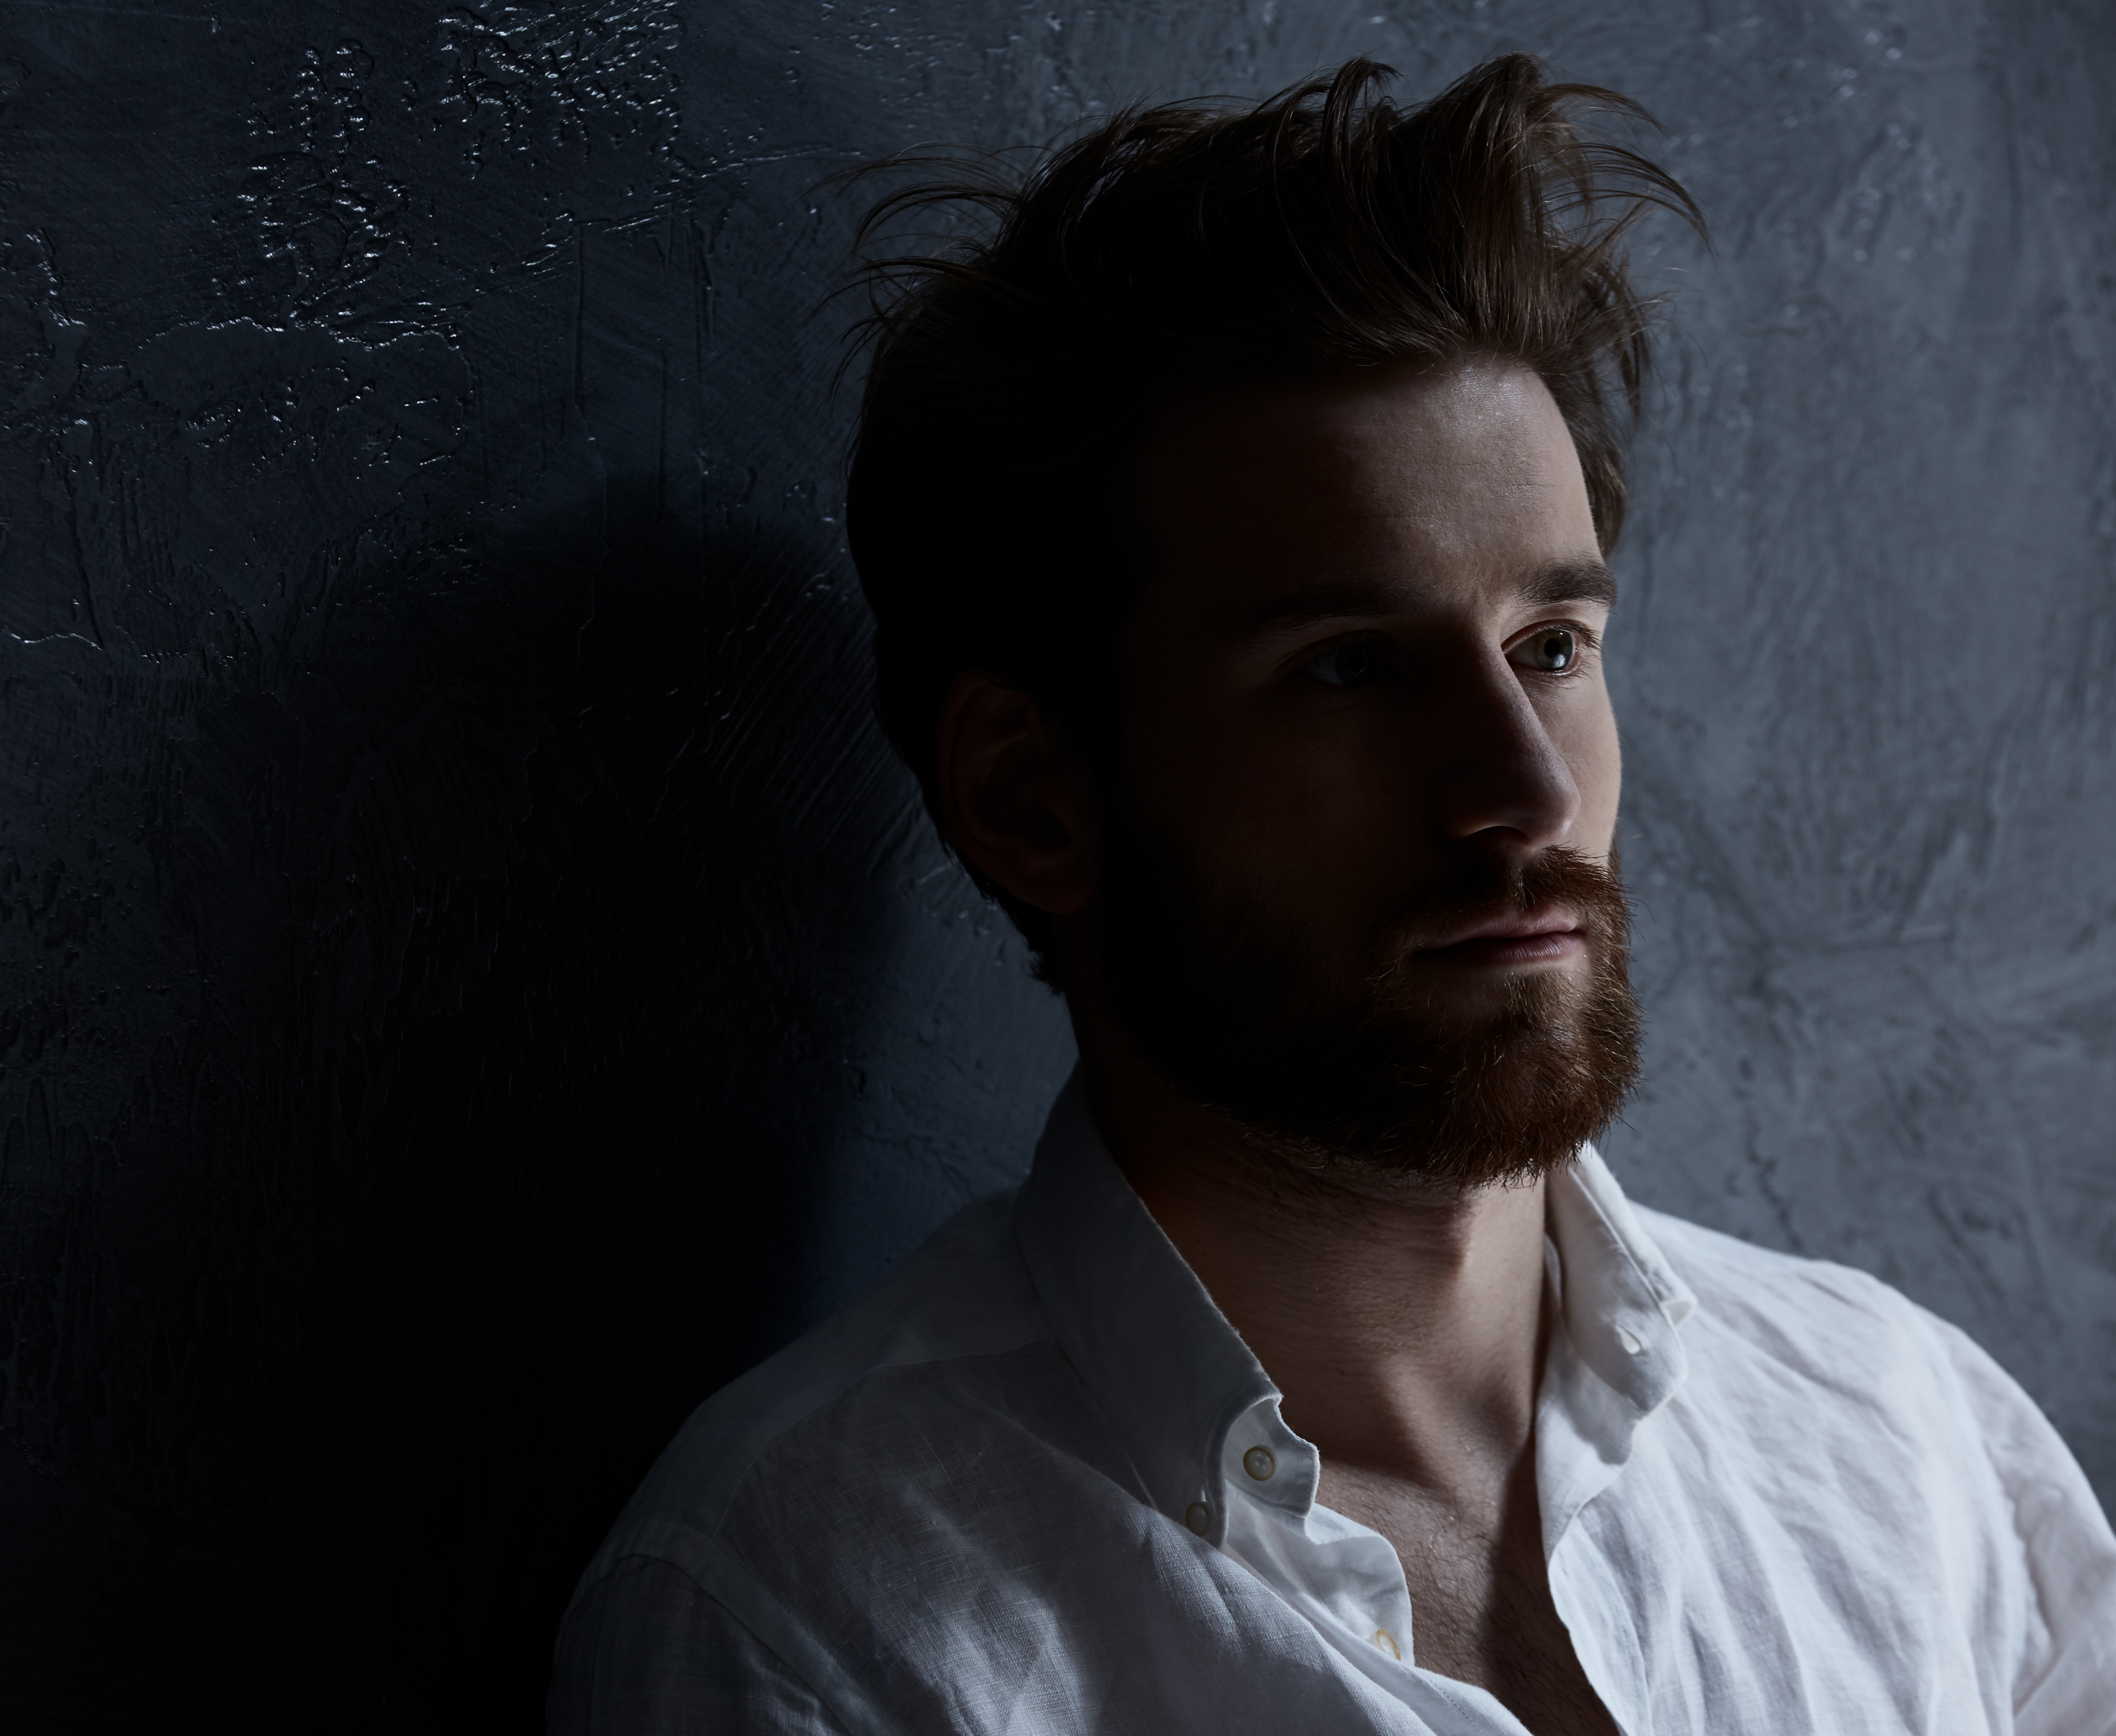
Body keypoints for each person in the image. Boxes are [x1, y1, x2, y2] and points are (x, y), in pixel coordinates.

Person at [548, 54, 2116, 1735]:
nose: (1524, 788)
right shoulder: (811, 1618)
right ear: (1032, 795)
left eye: (1552, 648)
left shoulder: (1906, 1441)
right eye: (1351, 668)